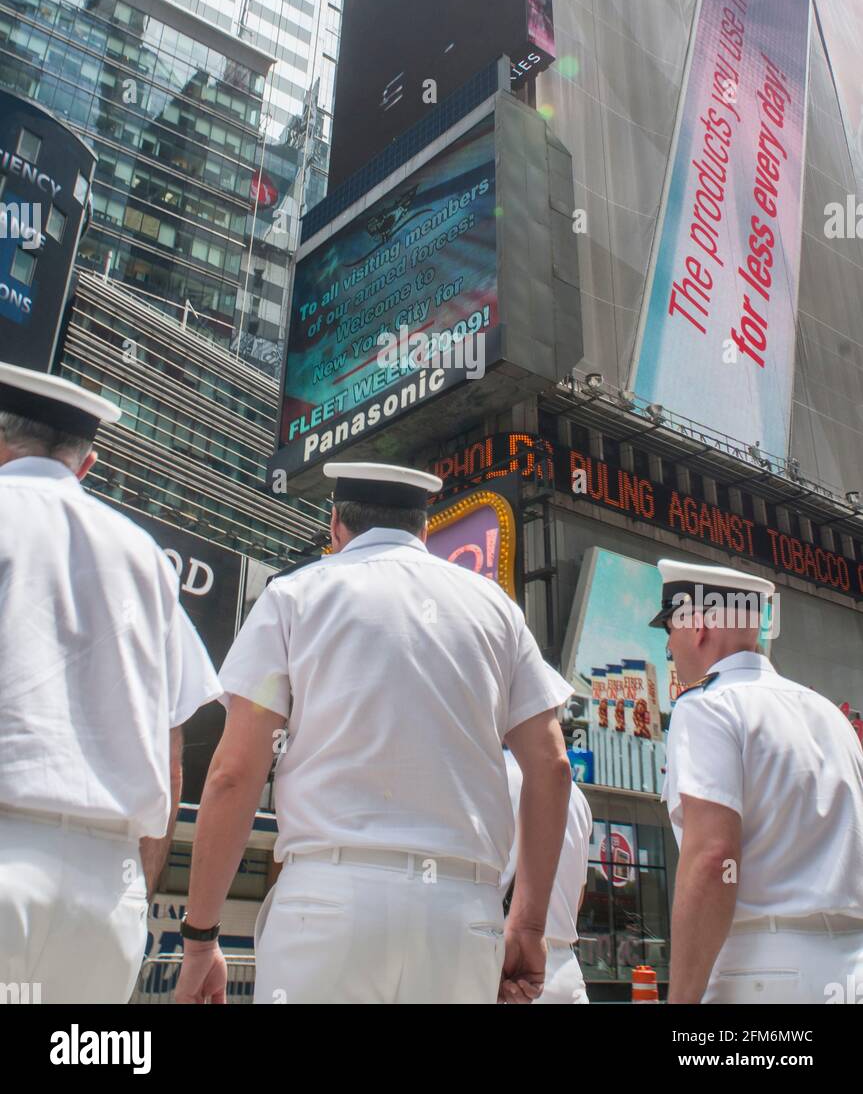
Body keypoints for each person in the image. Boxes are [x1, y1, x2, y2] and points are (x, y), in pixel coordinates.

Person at [174, 460, 572, 1005]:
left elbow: (234, 773)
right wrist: (526, 924)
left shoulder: (295, 596)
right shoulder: (497, 609)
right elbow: (552, 768)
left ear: (336, 525)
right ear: (424, 529)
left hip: (329, 905)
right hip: (461, 916)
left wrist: (200, 939)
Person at [0, 363, 223, 1003]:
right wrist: (134, 888)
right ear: (87, 464)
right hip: (106, 895)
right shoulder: (146, 557)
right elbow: (171, 754)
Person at [654, 557, 863, 1004]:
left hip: (763, 971)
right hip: (850, 969)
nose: (670, 650)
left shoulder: (708, 706)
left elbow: (714, 857)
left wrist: (682, 1000)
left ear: (698, 626)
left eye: (669, 631)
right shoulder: (831, 716)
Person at [501, 706, 592, 1004]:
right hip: (566, 968)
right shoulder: (578, 797)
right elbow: (578, 896)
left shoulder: (494, 771)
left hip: (512, 968)